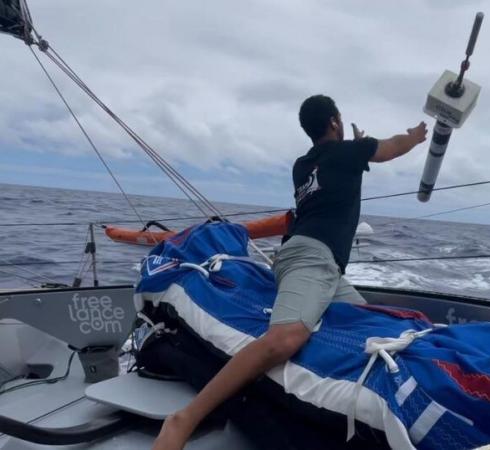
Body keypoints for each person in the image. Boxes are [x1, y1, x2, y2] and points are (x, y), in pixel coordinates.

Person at [152, 94, 427, 449]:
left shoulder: (302, 165)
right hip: (311, 258)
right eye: (339, 120)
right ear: (334, 122)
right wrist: (416, 135)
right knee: (284, 340)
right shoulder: (348, 154)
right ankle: (183, 420)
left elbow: (335, 172)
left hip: (314, 263)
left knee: (373, 327)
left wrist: (355, 147)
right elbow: (391, 148)